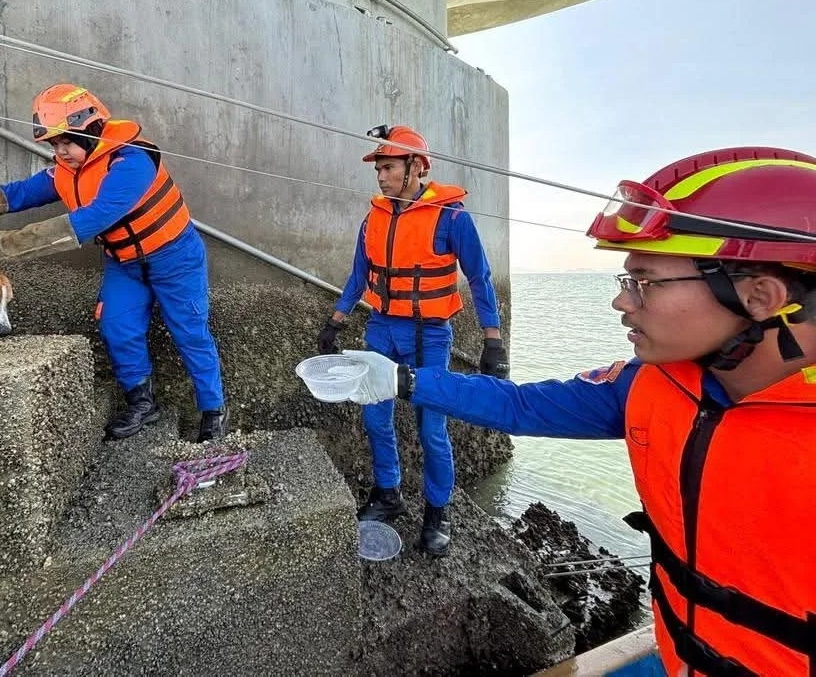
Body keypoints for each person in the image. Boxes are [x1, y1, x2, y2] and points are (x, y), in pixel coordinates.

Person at [341, 147, 816, 676]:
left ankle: (437, 514)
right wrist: (401, 379)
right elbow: (519, 405)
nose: (622, 302)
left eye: (646, 282)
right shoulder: (644, 387)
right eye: (624, 281)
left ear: (760, 297)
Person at [0, 83, 228, 443]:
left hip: (174, 259)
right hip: (124, 263)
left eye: (66, 142)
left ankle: (213, 413)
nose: (61, 152)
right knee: (118, 327)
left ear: (90, 132)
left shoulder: (131, 163)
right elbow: (18, 194)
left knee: (190, 332)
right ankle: (141, 403)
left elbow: (95, 217)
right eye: (54, 145)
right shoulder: (67, 169)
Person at [318, 124, 508, 557]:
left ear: (416, 167)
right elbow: (358, 274)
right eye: (378, 169)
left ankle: (437, 513)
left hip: (429, 335)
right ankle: (389, 494)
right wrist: (336, 320)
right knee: (374, 418)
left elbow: (479, 277)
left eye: (388, 167)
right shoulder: (373, 218)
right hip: (381, 328)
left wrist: (492, 340)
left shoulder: (452, 218)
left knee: (431, 428)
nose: (381, 177)